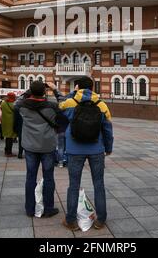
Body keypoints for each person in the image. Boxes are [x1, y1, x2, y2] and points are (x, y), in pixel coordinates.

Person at [51, 76, 114, 232]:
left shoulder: (70, 103)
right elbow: (108, 129)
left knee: (74, 185)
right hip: (96, 149)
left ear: (78, 87)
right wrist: (108, 147)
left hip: (74, 150)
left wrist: (74, 93)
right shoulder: (102, 105)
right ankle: (101, 220)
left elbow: (59, 109)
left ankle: (71, 220)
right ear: (93, 88)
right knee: (99, 184)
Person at [19, 81, 59, 218]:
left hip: (30, 146)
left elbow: (18, 100)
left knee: (30, 177)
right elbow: (65, 105)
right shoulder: (52, 106)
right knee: (48, 177)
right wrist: (55, 89)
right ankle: (48, 208)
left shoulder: (22, 106)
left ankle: (30, 209)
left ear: (30, 91)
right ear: (44, 92)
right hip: (48, 146)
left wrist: (29, 91)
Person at [1, 92, 17, 157]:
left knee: (7, 137)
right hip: (11, 122)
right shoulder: (14, 104)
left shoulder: (3, 103)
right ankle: (8, 152)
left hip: (5, 122)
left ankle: (6, 150)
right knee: (10, 138)